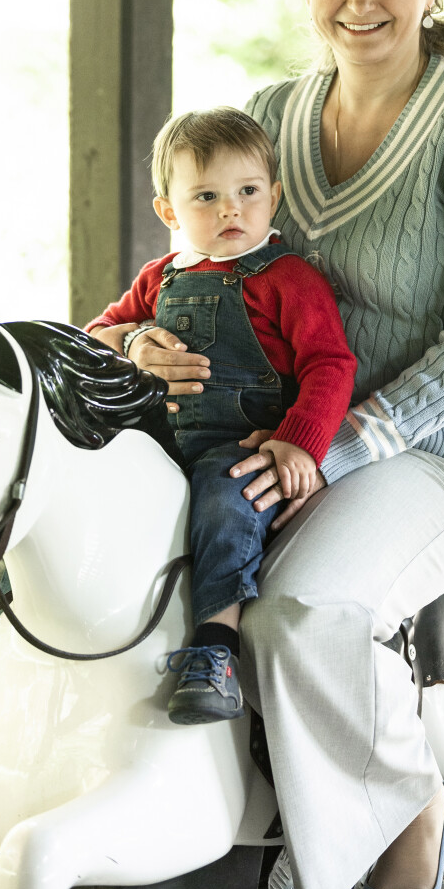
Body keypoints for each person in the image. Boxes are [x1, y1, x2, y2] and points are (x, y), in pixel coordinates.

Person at [89, 0, 444, 889]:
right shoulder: (267, 114)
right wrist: (138, 346)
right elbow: (195, 270)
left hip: (429, 456)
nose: (359, 0)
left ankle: (404, 813)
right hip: (262, 435)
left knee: (299, 610)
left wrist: (330, 449)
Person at [86, 107, 356, 725]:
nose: (230, 209)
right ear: (170, 212)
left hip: (241, 445)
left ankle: (214, 646)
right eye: (206, 196)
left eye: (248, 192)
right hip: (160, 442)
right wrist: (130, 340)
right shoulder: (161, 277)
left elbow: (330, 364)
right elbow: (95, 333)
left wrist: (300, 443)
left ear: (274, 197)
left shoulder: (288, 279)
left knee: (223, 498)